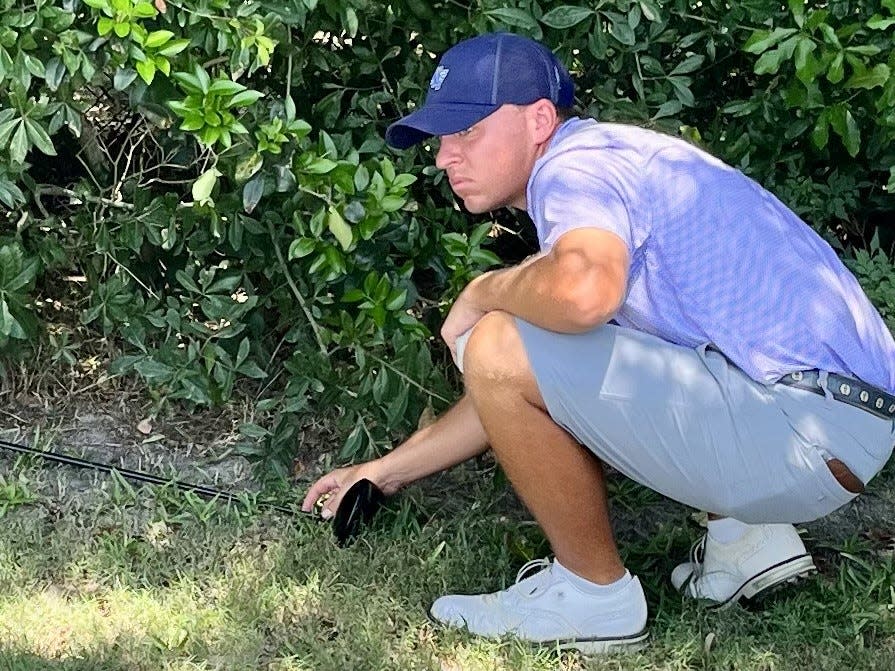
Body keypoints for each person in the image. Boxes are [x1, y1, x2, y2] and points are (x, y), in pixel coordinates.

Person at [302, 32, 895, 654]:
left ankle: (594, 596)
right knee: (527, 343)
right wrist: (385, 473)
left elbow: (576, 300)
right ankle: (748, 544)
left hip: (803, 431)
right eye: (442, 139)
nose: (446, 156)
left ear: (538, 119)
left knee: (501, 338)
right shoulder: (621, 160)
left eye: (468, 130)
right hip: (839, 424)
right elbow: (548, 378)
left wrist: (483, 291)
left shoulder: (573, 167)